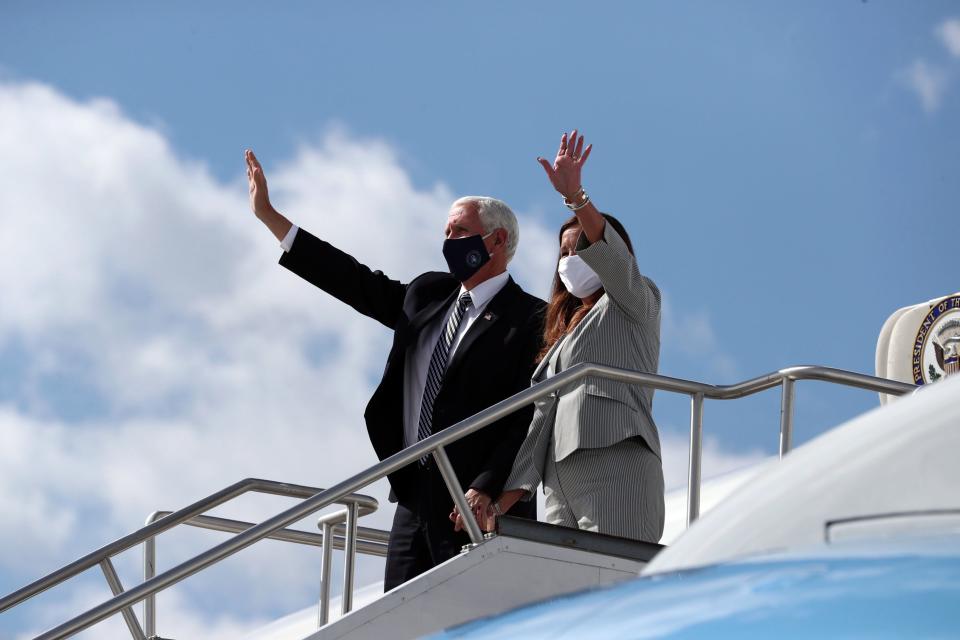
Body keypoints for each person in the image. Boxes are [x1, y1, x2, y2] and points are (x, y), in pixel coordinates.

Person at [244, 150, 545, 590]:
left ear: (497, 242)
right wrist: (273, 220)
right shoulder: (427, 294)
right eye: (446, 231)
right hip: (413, 497)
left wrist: (487, 486)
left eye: (461, 231)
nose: (449, 240)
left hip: (477, 503)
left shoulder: (531, 319)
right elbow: (355, 281)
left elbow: (527, 415)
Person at [458, 131, 665, 542]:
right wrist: (501, 503)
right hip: (557, 482)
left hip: (615, 461)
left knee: (614, 591)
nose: (572, 259)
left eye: (583, 247)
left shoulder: (634, 301)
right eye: (565, 253)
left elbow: (614, 259)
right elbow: (540, 425)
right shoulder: (558, 341)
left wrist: (577, 199)